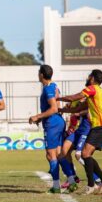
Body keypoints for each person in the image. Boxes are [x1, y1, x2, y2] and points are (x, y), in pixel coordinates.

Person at [57, 69, 102, 195]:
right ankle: (100, 182)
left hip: (100, 127)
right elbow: (78, 108)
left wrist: (58, 97)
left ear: (93, 78)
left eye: (89, 76)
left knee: (84, 154)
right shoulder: (96, 92)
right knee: (85, 154)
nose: (87, 78)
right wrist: (61, 109)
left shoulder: (92, 88)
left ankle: (91, 185)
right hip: (98, 127)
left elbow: (74, 97)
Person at [29, 65, 67, 193]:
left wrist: (38, 116)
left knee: (51, 155)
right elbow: (56, 106)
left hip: (53, 122)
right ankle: (72, 179)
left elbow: (54, 108)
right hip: (57, 121)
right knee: (58, 154)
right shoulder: (53, 86)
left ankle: (56, 186)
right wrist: (41, 118)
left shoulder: (48, 89)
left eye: (38, 72)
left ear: (41, 75)